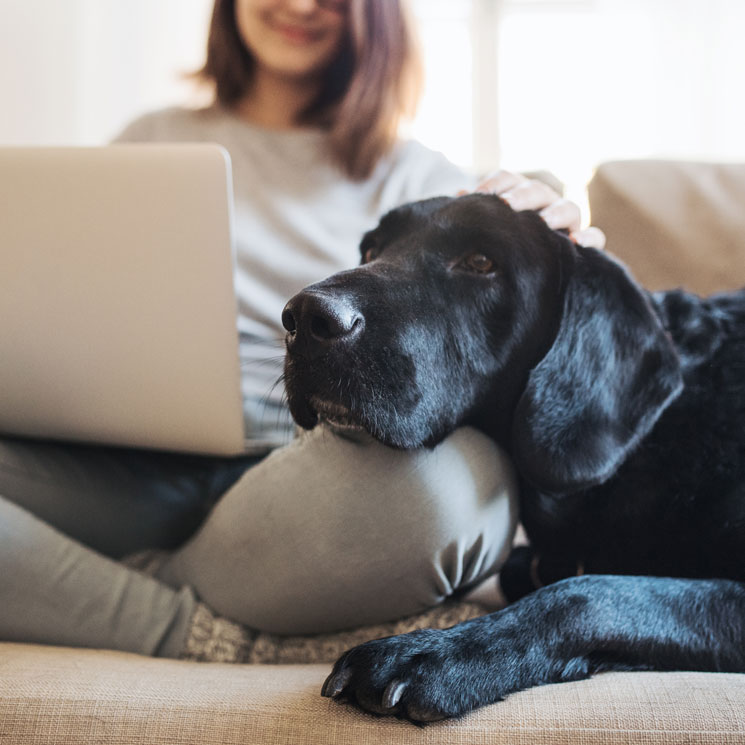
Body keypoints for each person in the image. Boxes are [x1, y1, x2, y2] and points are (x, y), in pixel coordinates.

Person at [0, 0, 604, 661]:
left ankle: (71, 586)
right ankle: (201, 630)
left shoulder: (420, 177)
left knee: (454, 494)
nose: (298, 5)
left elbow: (525, 301)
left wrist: (559, 235)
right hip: (124, 467)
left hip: (317, 479)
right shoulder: (149, 140)